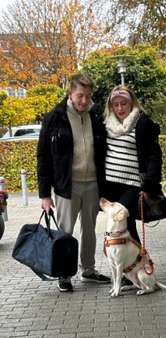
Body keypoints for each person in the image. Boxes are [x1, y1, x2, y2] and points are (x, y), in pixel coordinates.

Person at [38, 73, 111, 292]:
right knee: (65, 231)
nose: (84, 101)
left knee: (89, 230)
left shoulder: (96, 115)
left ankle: (88, 269)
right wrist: (44, 195)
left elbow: (104, 150)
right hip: (66, 186)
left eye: (88, 96)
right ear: (70, 93)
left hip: (92, 183)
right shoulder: (55, 117)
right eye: (80, 95)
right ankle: (64, 273)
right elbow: (43, 156)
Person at [102, 85, 164, 245]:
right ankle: (129, 262)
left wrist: (151, 181)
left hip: (132, 184)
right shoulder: (105, 125)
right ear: (111, 107)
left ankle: (140, 259)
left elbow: (154, 154)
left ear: (132, 103)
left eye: (124, 103)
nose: (120, 108)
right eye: (115, 105)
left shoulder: (142, 123)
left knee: (126, 222)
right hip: (109, 185)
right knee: (119, 225)